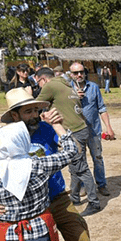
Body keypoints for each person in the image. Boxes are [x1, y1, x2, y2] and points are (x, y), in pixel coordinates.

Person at [0, 88, 109, 241]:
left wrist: (58, 125)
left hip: (57, 198)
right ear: (15, 115)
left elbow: (74, 151)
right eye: (28, 112)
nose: (35, 115)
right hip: (28, 208)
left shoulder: (46, 129)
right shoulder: (6, 138)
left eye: (36, 110)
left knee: (81, 240)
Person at [35, 67, 102, 216]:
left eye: (38, 83)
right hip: (81, 128)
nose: (39, 86)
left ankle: (94, 202)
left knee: (81, 168)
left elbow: (34, 105)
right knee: (74, 166)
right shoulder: (65, 84)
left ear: (43, 79)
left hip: (74, 131)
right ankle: (75, 197)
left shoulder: (50, 86)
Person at [69, 62, 115, 197]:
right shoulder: (67, 89)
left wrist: (109, 127)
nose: (79, 75)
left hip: (93, 131)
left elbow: (102, 108)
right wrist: (74, 98)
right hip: (76, 132)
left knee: (98, 158)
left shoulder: (93, 87)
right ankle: (83, 186)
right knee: (80, 160)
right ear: (71, 75)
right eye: (76, 73)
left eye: (81, 72)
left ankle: (102, 184)